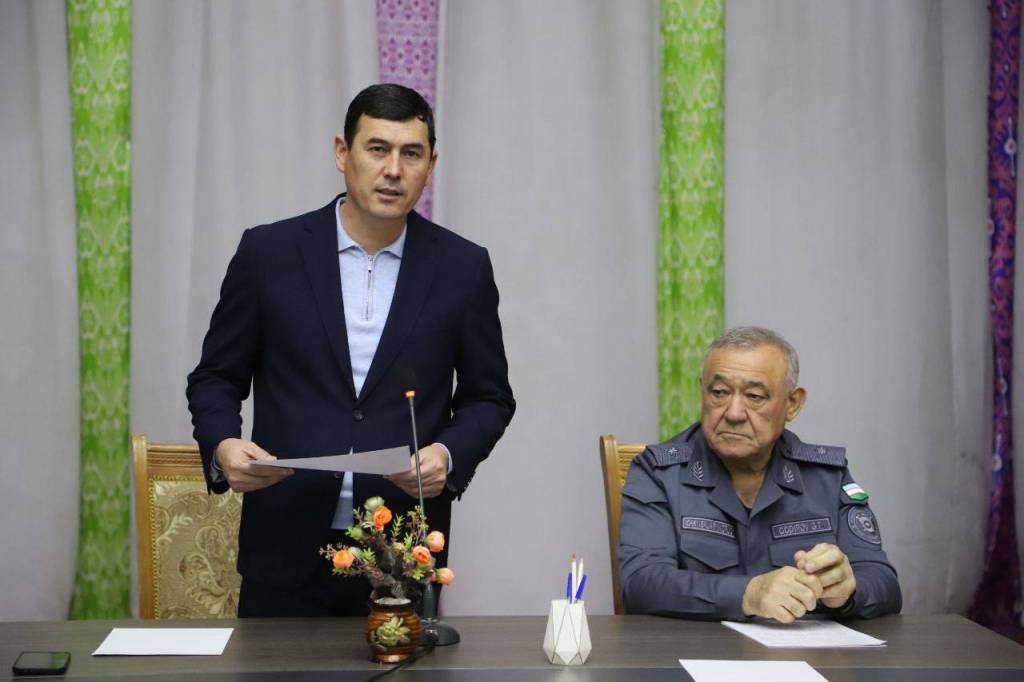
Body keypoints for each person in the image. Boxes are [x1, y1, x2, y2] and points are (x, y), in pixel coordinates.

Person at [186, 83, 515, 617]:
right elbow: (215, 378)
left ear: (431, 165)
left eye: (412, 154)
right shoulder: (268, 253)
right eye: (377, 149)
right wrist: (223, 443)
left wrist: (448, 455)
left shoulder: (463, 268)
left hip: (402, 554)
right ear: (343, 152)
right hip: (284, 544)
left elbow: (490, 398)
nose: (393, 170)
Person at [618, 326, 900, 622]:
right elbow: (641, 583)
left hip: (805, 649)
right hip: (700, 649)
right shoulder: (659, 473)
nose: (733, 413)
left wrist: (846, 592)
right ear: (702, 391)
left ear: (792, 403)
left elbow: (884, 583)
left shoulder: (826, 477)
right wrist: (747, 594)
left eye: (754, 396)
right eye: (719, 393)